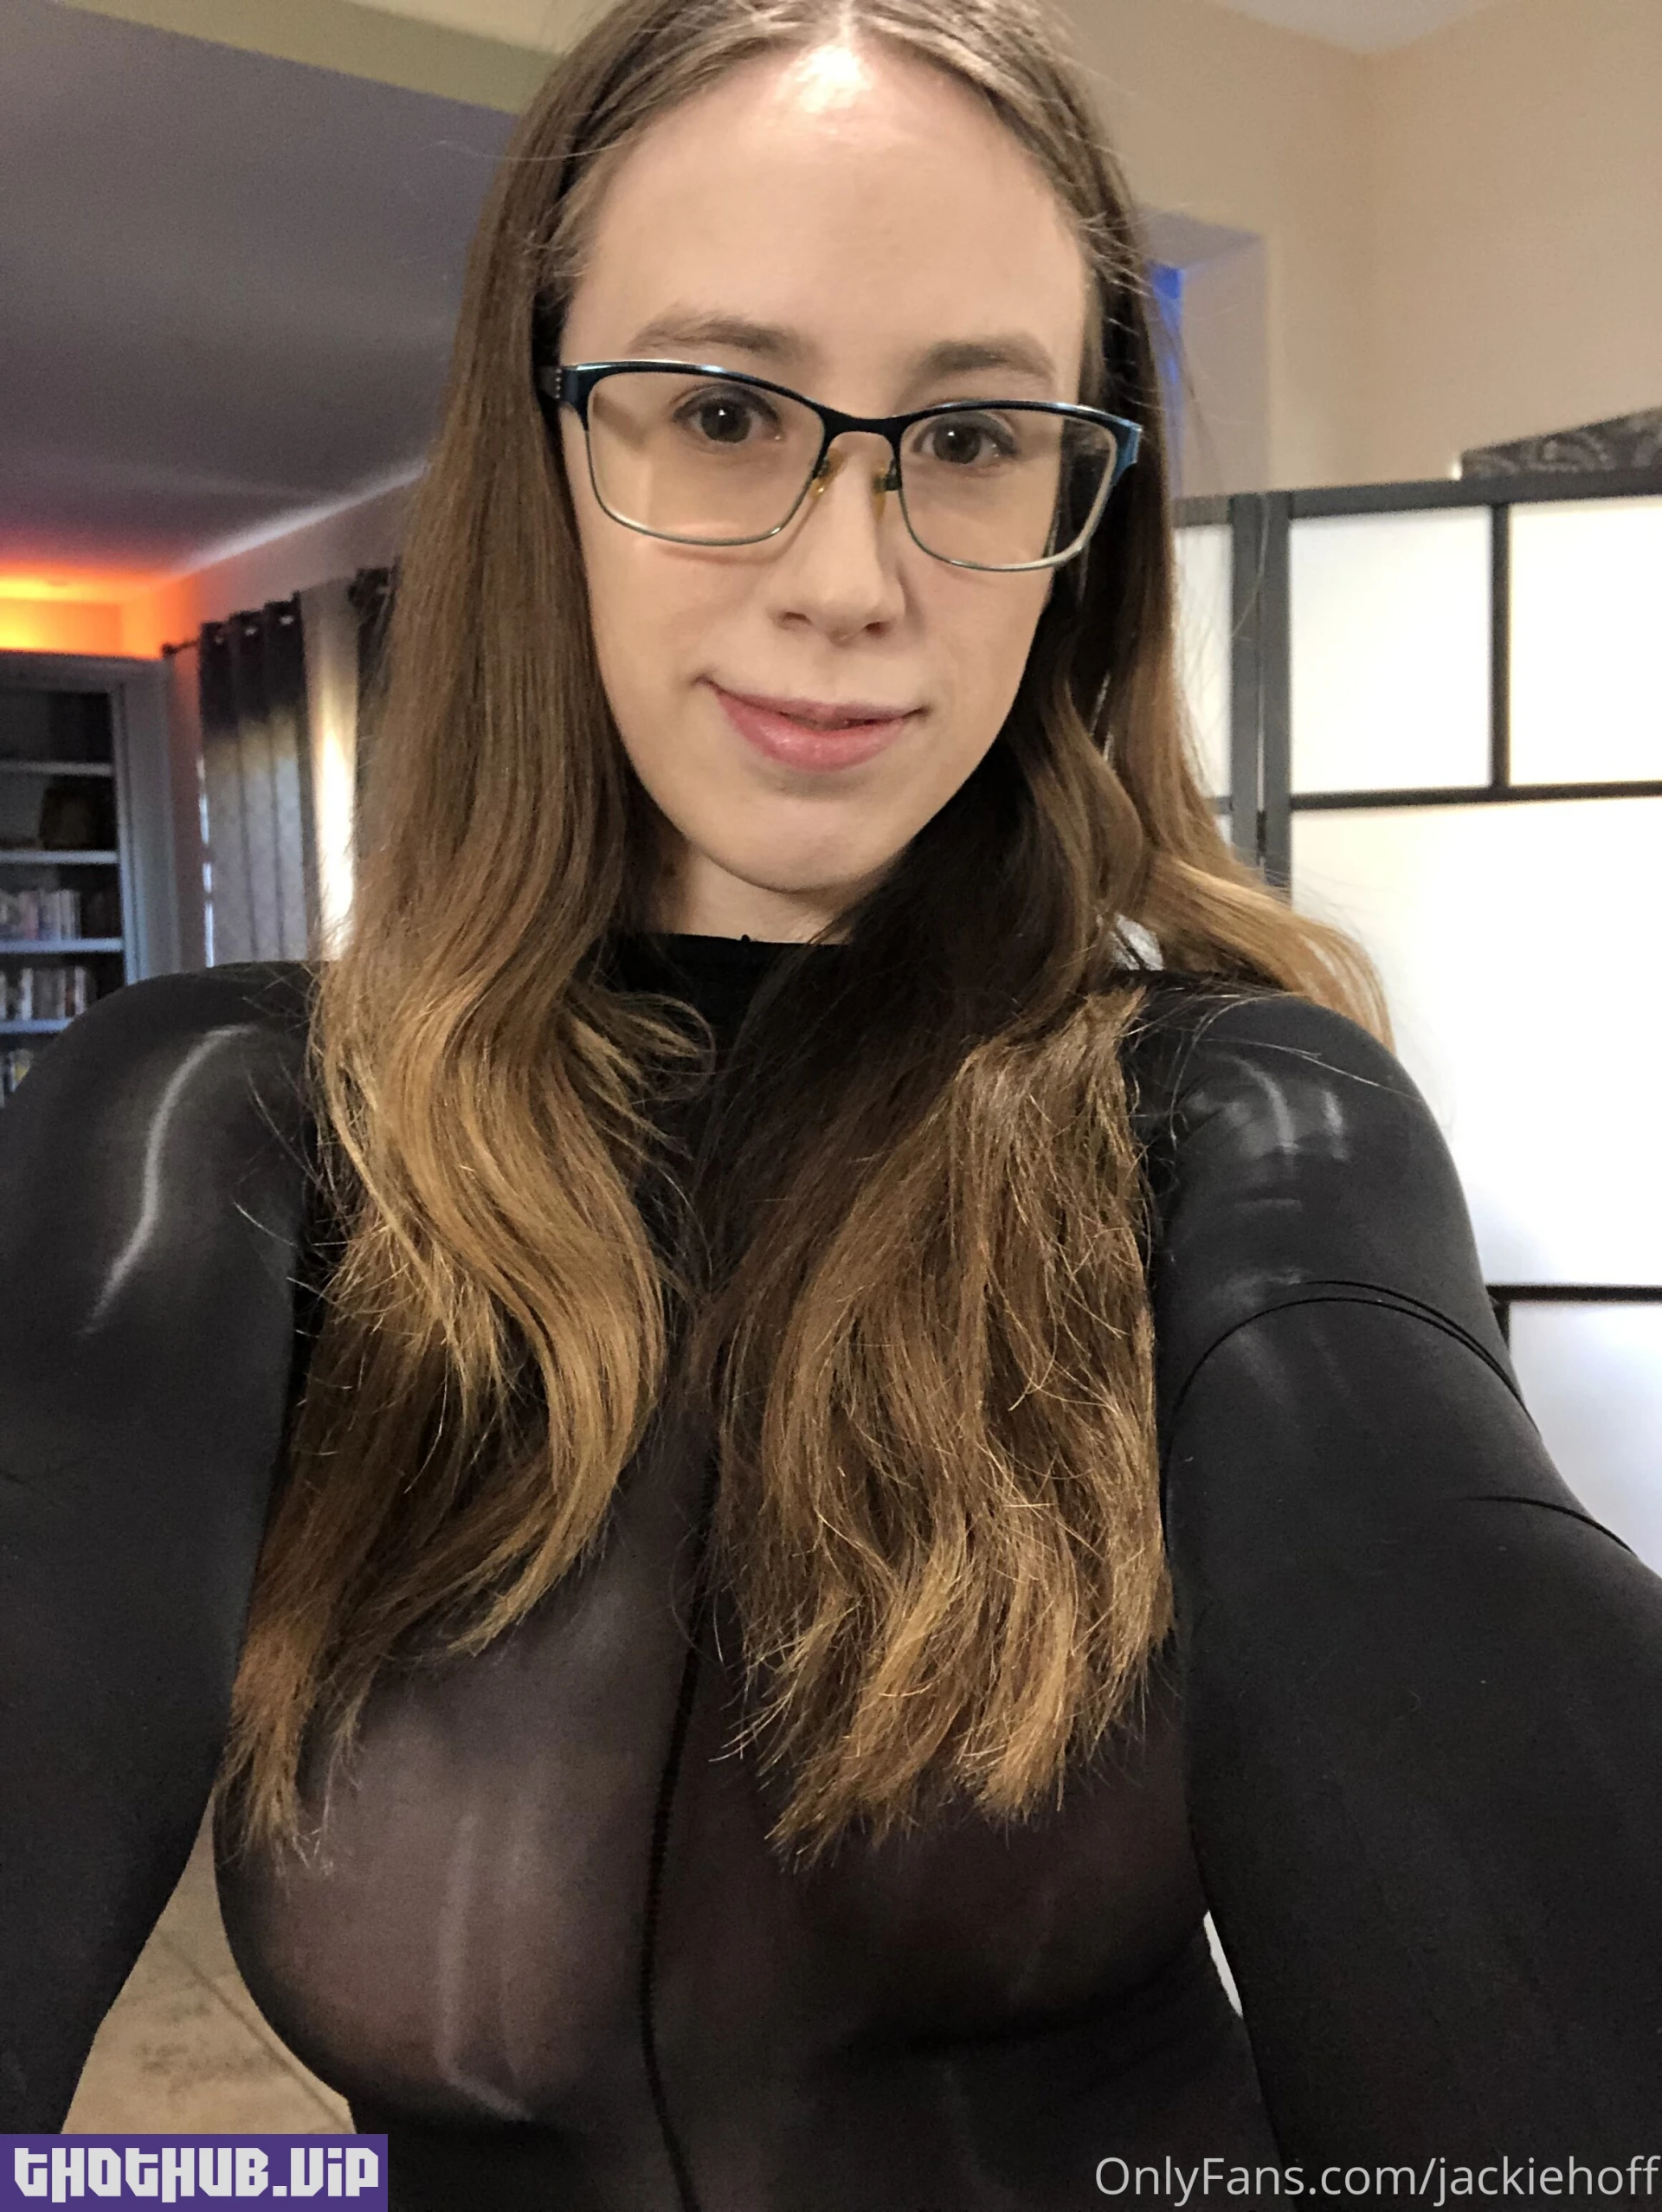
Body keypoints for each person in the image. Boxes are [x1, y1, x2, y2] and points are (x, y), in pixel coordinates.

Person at [3, 0, 1660, 2204]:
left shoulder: (1239, 1121)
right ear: (542, 447)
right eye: (718, 409)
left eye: (970, 436)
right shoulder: (218, 1126)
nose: (851, 580)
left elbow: (1442, 1607)